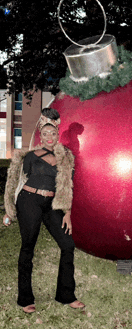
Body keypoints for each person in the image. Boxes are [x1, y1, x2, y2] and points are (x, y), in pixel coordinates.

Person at [3, 108, 85, 313]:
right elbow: (17, 181)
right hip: (29, 201)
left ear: (58, 136)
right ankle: (25, 299)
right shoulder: (30, 156)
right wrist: (9, 210)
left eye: (53, 133)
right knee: (28, 247)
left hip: (52, 205)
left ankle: (66, 295)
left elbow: (68, 185)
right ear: (41, 135)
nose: (49, 137)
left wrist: (67, 212)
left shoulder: (66, 156)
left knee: (67, 245)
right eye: (45, 133)